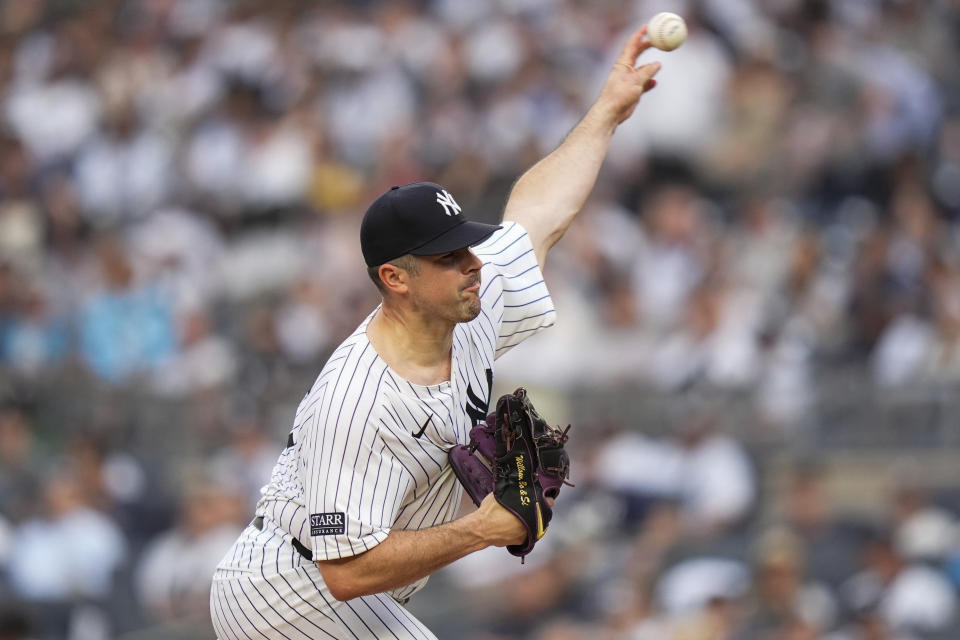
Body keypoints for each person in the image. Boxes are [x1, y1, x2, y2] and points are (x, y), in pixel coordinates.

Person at [210, 25, 661, 640]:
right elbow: (345, 570)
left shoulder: (463, 305)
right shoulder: (359, 400)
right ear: (396, 277)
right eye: (449, 257)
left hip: (335, 590)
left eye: (466, 248)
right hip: (284, 591)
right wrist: (482, 528)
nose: (473, 264)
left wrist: (607, 111)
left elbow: (537, 217)